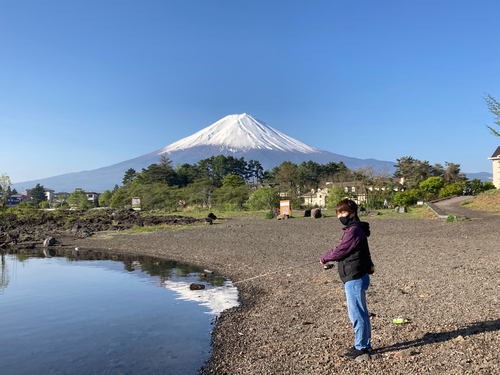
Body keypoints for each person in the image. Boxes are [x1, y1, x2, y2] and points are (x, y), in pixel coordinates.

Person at [320, 198, 374, 359]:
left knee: (356, 313)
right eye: (338, 213)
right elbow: (346, 252)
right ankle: (364, 344)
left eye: (343, 213)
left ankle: (362, 346)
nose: (340, 216)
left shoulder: (354, 231)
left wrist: (325, 257)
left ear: (352, 213)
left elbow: (341, 250)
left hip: (355, 277)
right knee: (359, 312)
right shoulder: (352, 230)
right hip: (354, 275)